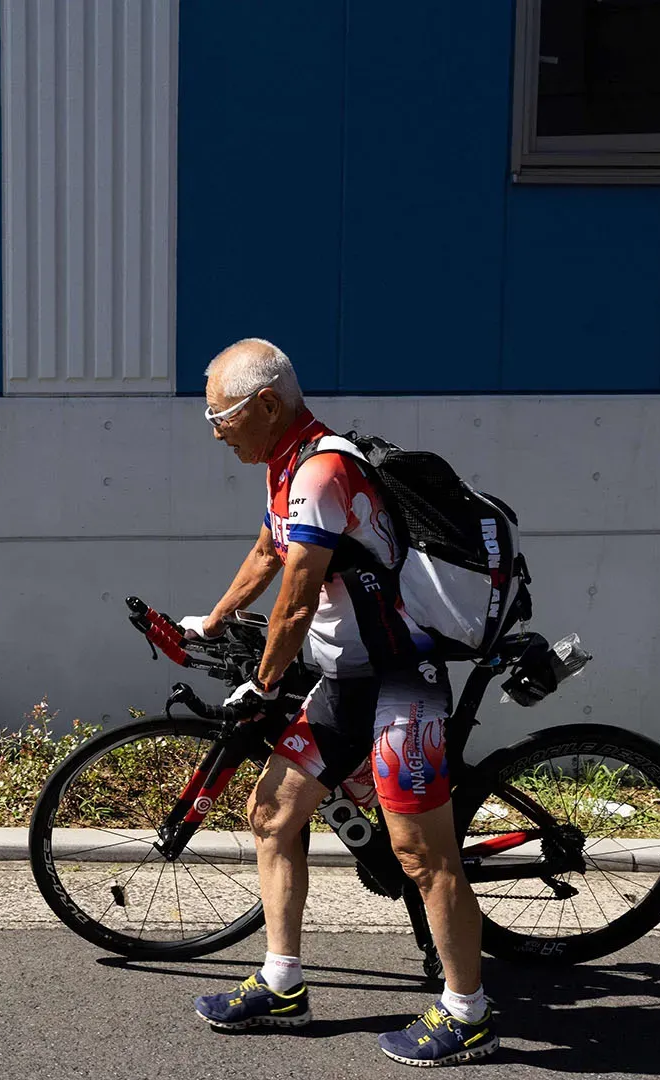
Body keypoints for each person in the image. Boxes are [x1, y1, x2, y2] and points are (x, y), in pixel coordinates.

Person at [181, 338, 498, 1067]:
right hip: (351, 677)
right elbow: (269, 552)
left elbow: (294, 603)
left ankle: (468, 1012)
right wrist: (220, 614)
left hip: (400, 675)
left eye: (220, 416)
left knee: (423, 854)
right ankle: (283, 982)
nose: (216, 430)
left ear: (267, 405)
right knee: (273, 813)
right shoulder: (284, 466)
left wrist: (262, 685)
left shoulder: (322, 470)